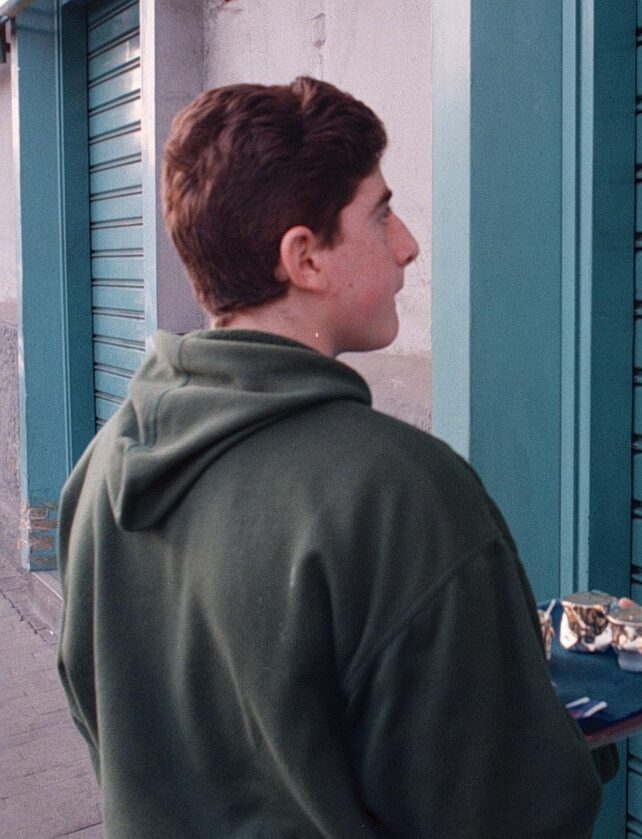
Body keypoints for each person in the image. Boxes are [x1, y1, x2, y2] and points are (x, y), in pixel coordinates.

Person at [56, 76, 608, 837]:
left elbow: (112, 731)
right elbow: (507, 813)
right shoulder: (401, 495)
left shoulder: (100, 470)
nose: (408, 244)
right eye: (380, 214)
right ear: (305, 258)